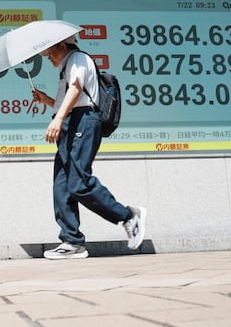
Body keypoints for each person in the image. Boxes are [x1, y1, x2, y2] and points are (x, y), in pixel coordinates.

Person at [32, 35, 146, 260]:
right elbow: (71, 96)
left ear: (62, 45)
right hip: (71, 122)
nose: (49, 58)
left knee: (78, 183)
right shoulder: (68, 65)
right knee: (61, 185)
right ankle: (72, 241)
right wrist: (46, 100)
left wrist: (57, 119)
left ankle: (128, 215)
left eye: (50, 53)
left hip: (82, 121)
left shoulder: (77, 58)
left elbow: (76, 90)